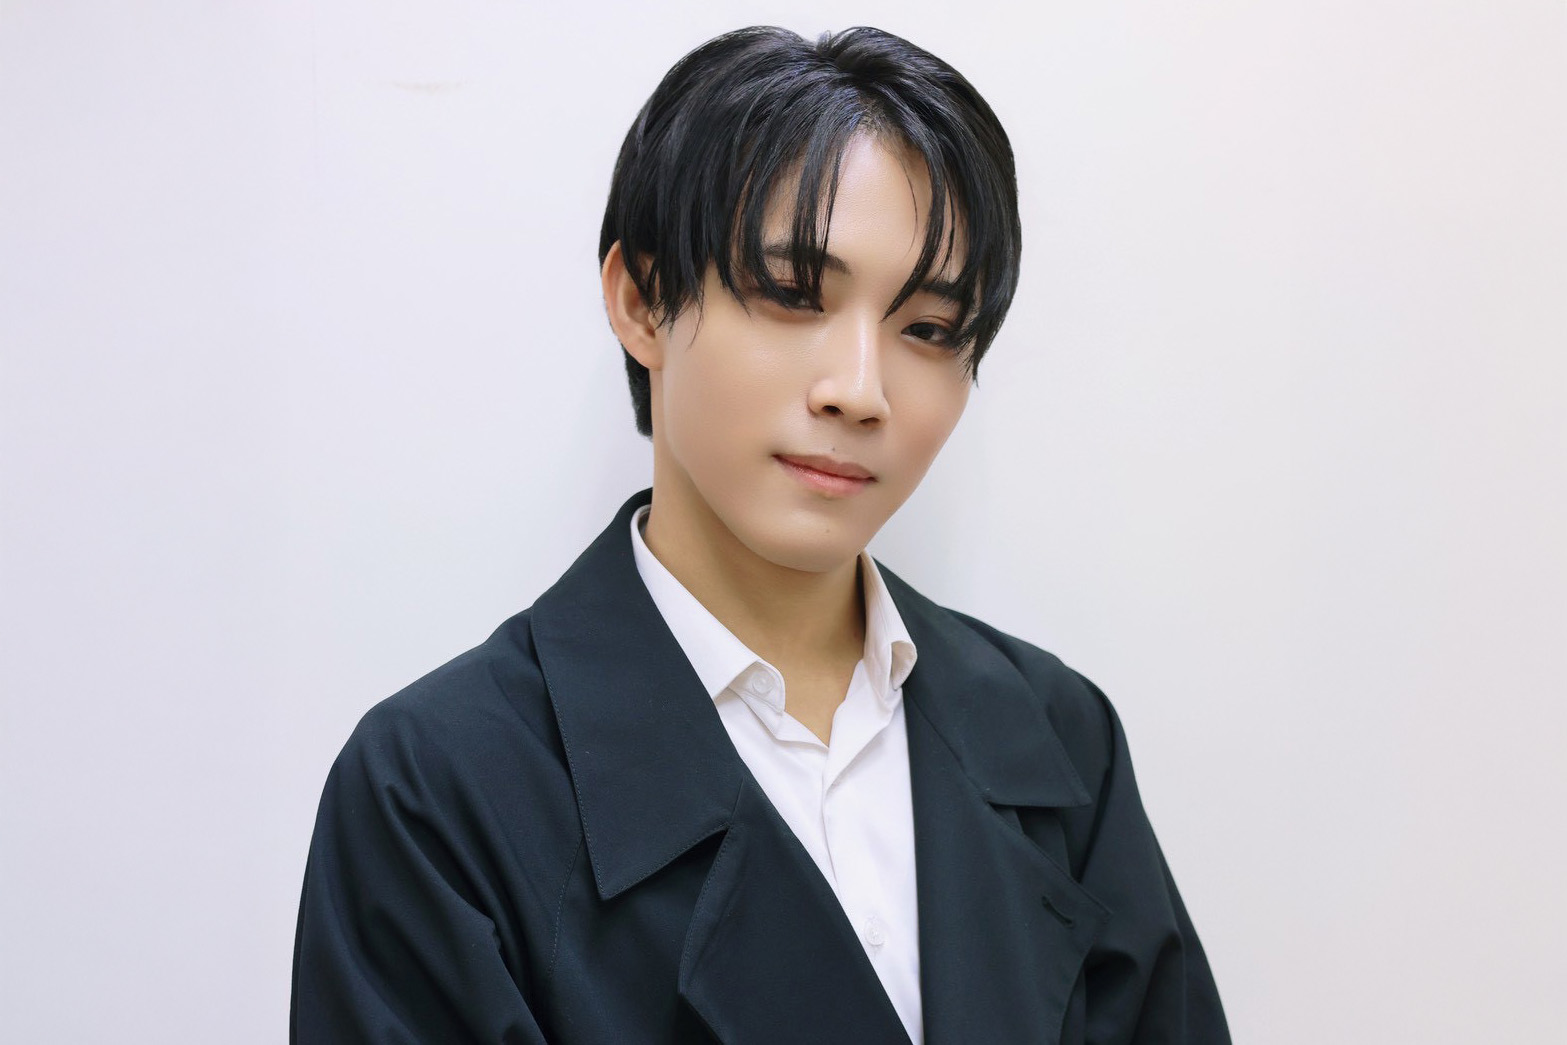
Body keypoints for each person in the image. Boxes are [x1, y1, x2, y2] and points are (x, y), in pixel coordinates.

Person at [291, 25, 1230, 1044]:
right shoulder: (439, 791)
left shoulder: (1058, 737)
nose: (859, 390)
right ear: (641, 299)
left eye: (927, 329)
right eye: (792, 294)